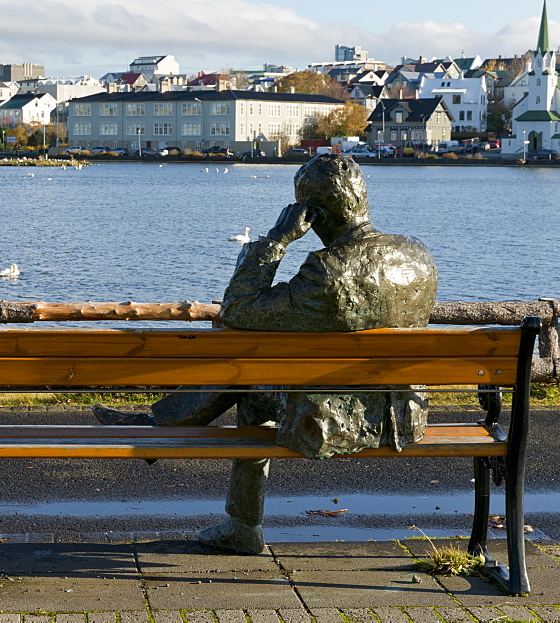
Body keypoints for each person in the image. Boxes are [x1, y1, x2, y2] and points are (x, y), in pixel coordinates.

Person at [93, 154, 438, 553]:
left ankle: (233, 514)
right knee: (254, 379)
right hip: (404, 412)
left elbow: (238, 308)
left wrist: (277, 239)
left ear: (311, 214)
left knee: (247, 378)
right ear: (361, 198)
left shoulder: (329, 271)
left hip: (339, 415)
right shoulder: (418, 255)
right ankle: (164, 431)